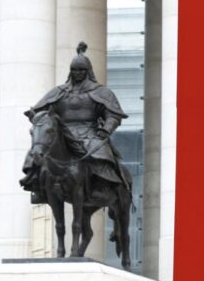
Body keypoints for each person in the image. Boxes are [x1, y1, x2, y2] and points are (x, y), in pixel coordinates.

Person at [21, 42, 129, 204]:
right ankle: (36, 184)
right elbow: (41, 111)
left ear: (88, 71)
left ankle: (102, 185)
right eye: (75, 70)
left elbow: (113, 115)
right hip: (63, 133)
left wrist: (106, 130)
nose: (78, 73)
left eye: (81, 70)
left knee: (101, 152)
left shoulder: (100, 92)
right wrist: (34, 115)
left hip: (90, 132)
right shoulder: (59, 92)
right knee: (36, 151)